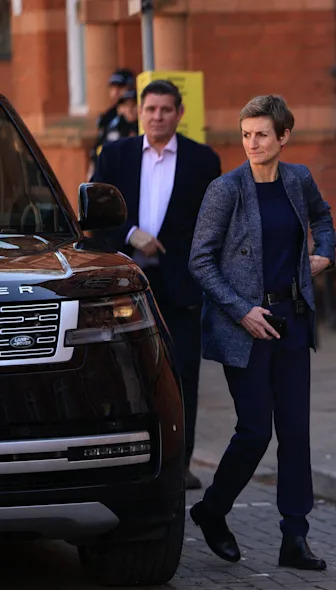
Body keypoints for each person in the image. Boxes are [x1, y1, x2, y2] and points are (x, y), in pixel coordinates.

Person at [188, 95, 336, 571]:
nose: (252, 143)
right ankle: (212, 510)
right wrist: (240, 310)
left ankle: (295, 537)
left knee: (296, 432)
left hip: (291, 320)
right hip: (245, 328)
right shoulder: (226, 189)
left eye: (262, 135)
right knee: (254, 430)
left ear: (283, 137)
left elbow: (323, 217)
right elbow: (200, 261)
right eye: (246, 135)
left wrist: (325, 254)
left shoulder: (298, 179)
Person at [92, 80, 221, 491]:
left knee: (182, 374)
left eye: (166, 109)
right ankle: (122, 459)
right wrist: (132, 234)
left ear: (179, 113)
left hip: (181, 284)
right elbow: (95, 215)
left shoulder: (203, 161)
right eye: (151, 109)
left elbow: (213, 223)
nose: (157, 116)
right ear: (140, 112)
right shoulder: (115, 155)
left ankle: (179, 464)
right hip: (126, 282)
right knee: (122, 370)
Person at [90, 68, 136, 174]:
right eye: (113, 87)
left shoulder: (137, 114)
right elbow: (98, 145)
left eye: (120, 87)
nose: (115, 92)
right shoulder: (106, 117)